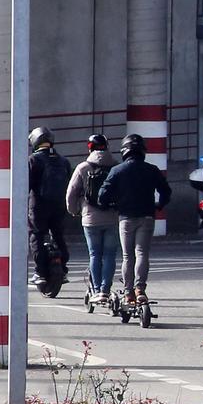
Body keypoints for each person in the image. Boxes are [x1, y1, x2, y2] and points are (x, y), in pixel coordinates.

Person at [96, 133, 171, 308]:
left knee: (127, 255)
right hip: (147, 216)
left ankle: (128, 291)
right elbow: (166, 191)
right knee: (142, 253)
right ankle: (140, 290)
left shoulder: (118, 170)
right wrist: (159, 205)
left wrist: (109, 204)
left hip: (126, 218)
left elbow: (102, 195)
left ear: (124, 151)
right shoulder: (152, 170)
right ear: (142, 152)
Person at [64, 133, 118, 301]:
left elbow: (71, 193)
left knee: (95, 254)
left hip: (90, 218)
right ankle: (105, 290)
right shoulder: (116, 166)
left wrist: (74, 210)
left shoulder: (83, 167)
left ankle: (95, 291)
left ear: (90, 147)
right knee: (109, 255)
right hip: (112, 217)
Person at [26, 128, 71, 289]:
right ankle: (63, 269)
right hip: (60, 206)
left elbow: (27, 185)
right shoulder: (63, 161)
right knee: (58, 235)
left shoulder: (33, 160)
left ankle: (40, 271)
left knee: (36, 235)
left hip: (39, 206)